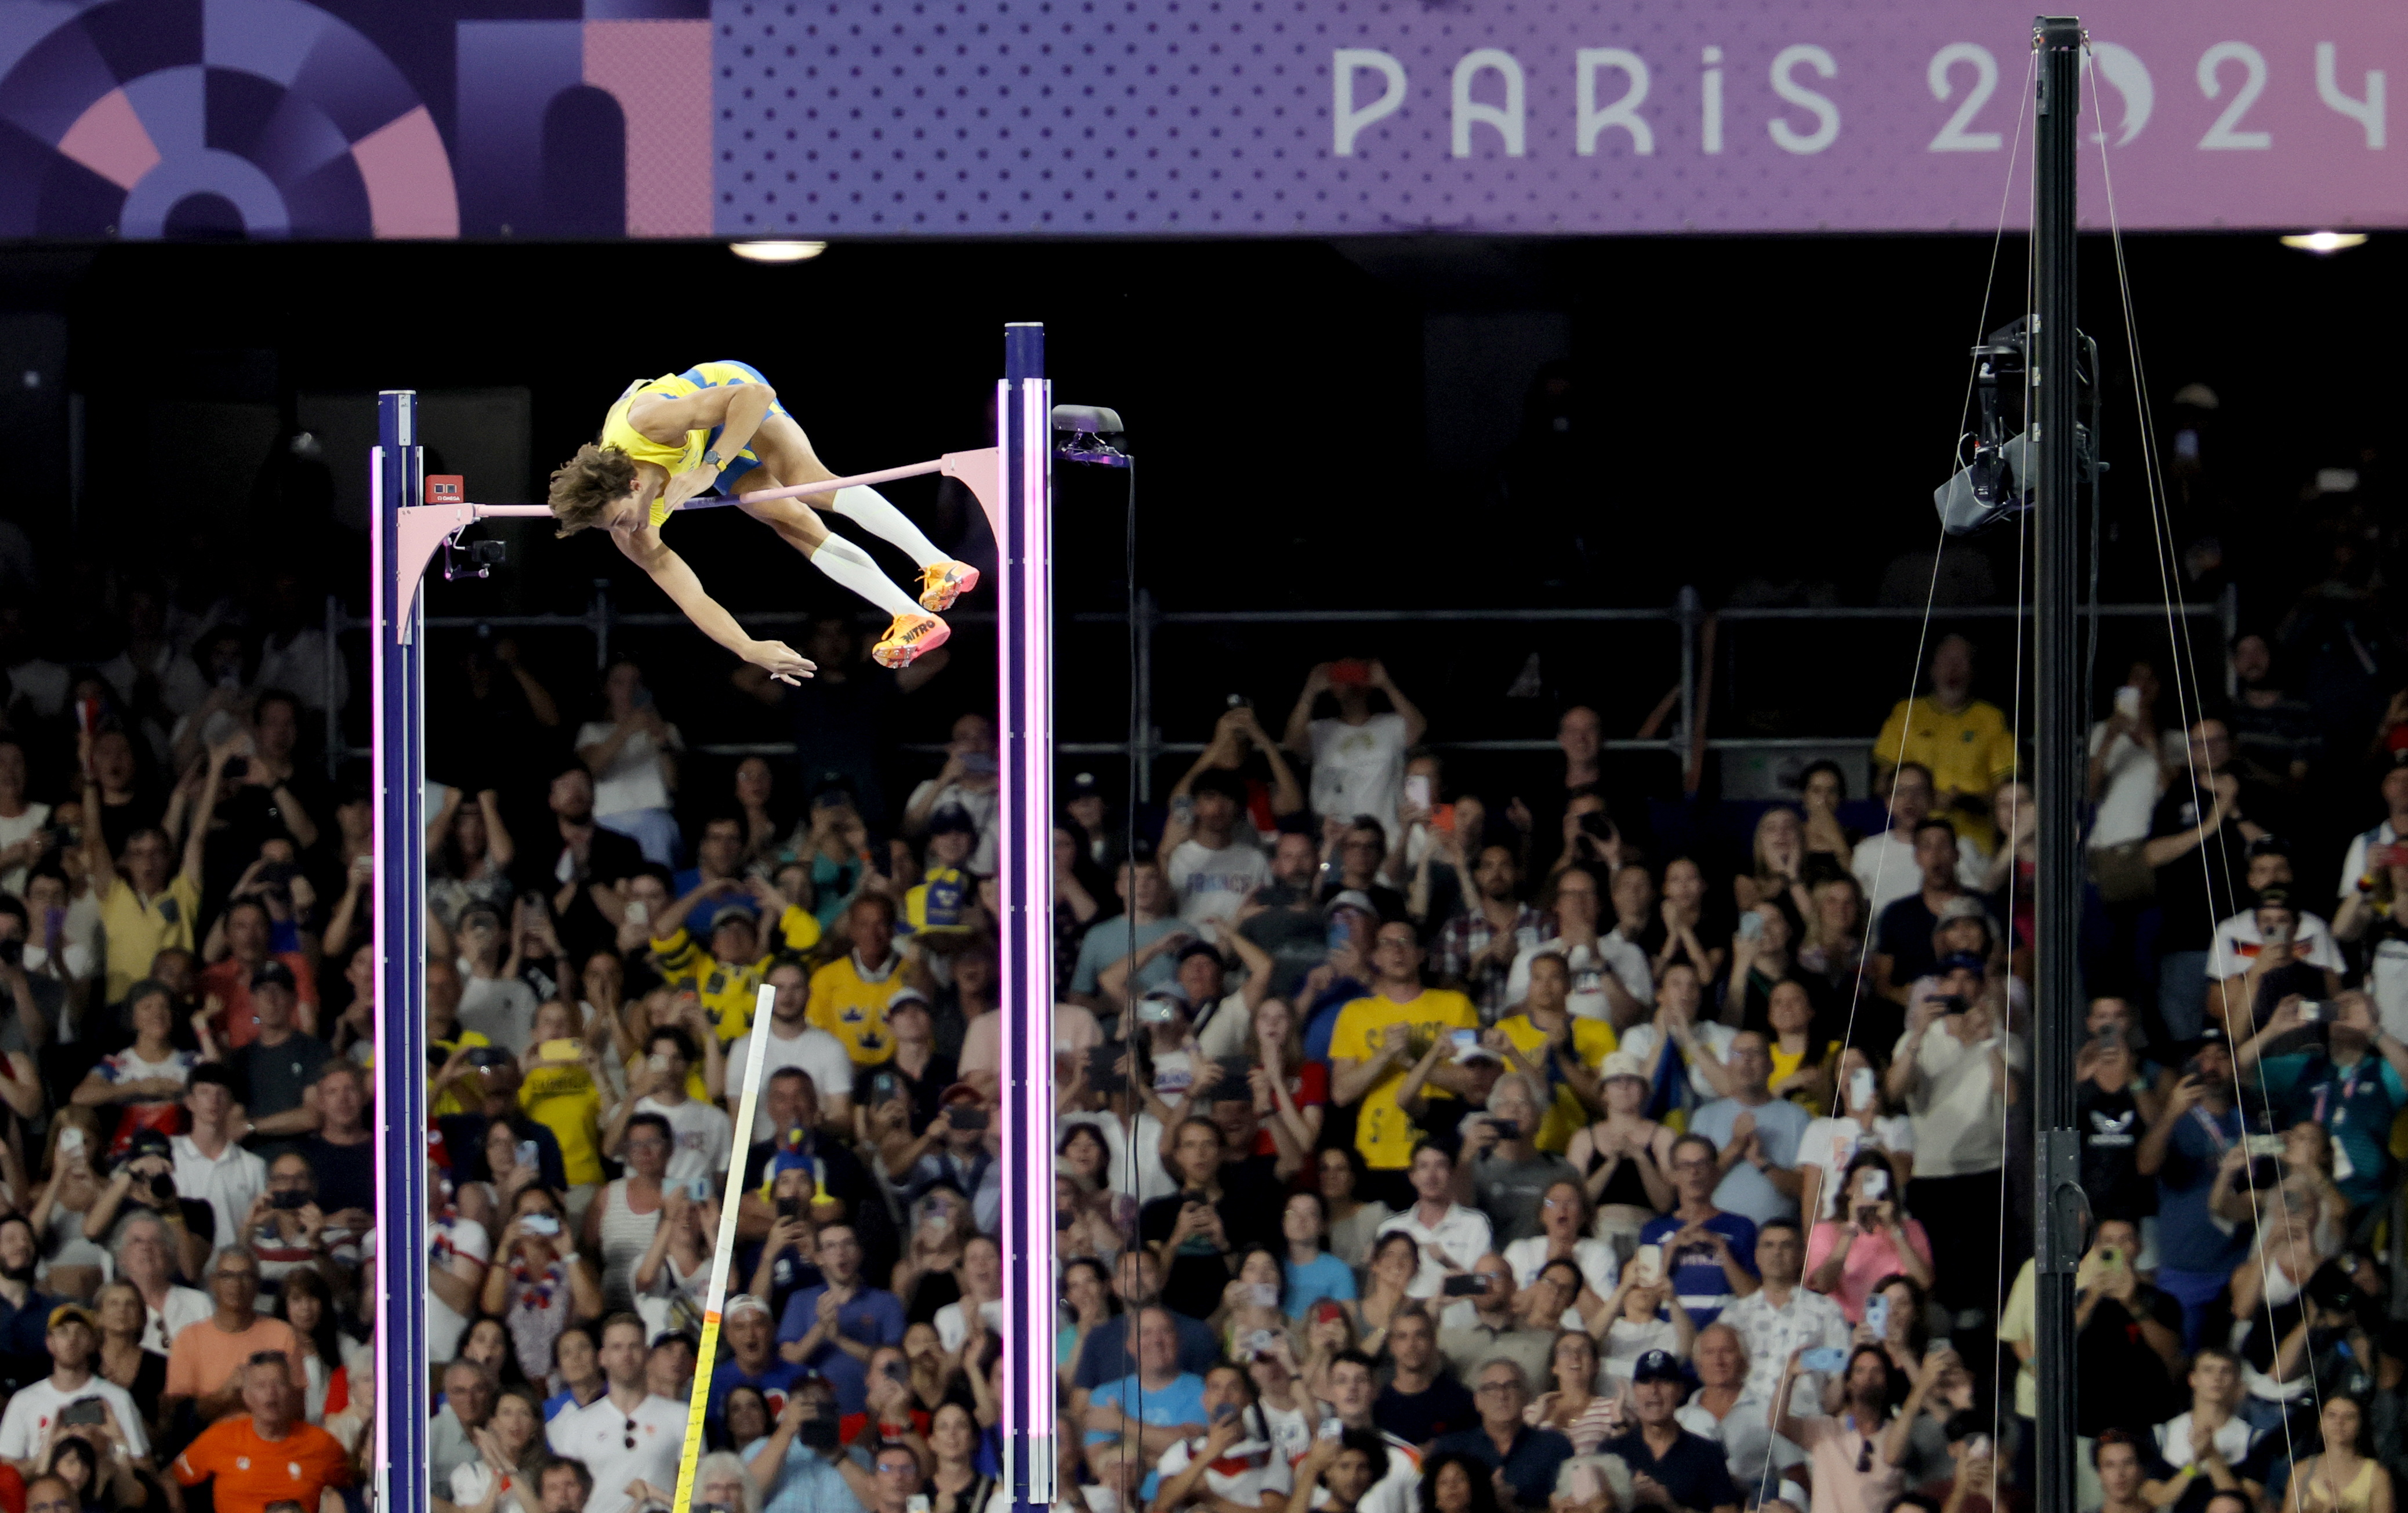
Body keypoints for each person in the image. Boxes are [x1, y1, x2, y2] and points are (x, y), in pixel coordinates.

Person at [547, 362, 976, 674]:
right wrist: (748, 647)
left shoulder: (648, 423)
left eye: (621, 519)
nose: (627, 531)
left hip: (726, 393)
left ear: (634, 486)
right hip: (700, 444)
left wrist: (711, 467)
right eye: (613, 529)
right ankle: (909, 615)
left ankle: (937, 561)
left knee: (808, 481)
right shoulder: (632, 534)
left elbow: (755, 398)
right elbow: (693, 597)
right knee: (791, 522)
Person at [1330, 924, 1481, 1203]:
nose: (1396, 951)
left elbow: (1473, 1082)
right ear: (1375, 957)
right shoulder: (1355, 1013)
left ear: (1421, 954)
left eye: (1404, 942)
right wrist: (1386, 1054)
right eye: (1387, 944)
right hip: (1377, 1154)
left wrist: (1414, 1062)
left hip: (1439, 1153)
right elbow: (1341, 1093)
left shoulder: (1455, 1005)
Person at [2136, 1031, 2251, 1347]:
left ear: (2235, 1066)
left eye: (2220, 1056)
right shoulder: (2176, 1120)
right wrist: (2171, 1113)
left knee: (2231, 1366)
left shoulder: (2251, 1118)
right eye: (2202, 1057)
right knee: (2181, 1360)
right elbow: (2145, 1166)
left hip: (2241, 1269)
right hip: (2186, 1270)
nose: (2211, 1064)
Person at [1872, 636, 2015, 852]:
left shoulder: (1991, 719)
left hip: (1973, 845)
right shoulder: (1907, 713)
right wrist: (1919, 798)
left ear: (1974, 670)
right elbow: (1882, 785)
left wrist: (1964, 801)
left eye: (1961, 661)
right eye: (1946, 660)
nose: (1953, 668)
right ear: (1932, 668)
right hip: (1912, 843)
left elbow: (2007, 793)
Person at [170, 1353, 350, 1513]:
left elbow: (352, 1488)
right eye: (261, 1386)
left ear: (291, 1392)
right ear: (246, 1397)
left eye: (279, 1384)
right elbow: (171, 1478)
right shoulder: (221, 1437)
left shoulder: (322, 1444)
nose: (270, 1394)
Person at [545, 1314, 683, 1513]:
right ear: (602, 1357)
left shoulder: (681, 1417)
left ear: (646, 1354)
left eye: (634, 1346)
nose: (626, 1355)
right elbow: (564, 1497)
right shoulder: (576, 1424)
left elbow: (696, 1491)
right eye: (617, 1347)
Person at [162, 1247, 307, 1429]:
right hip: (211, 1444)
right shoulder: (188, 1338)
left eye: (245, 1276)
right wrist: (225, 1394)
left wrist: (257, 1391)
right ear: (213, 1283)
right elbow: (179, 1417)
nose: (236, 1284)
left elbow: (298, 1410)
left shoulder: (282, 1334)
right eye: (227, 1276)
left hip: (269, 1445)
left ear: (257, 1284)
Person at [0, 1303, 150, 1472]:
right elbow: (8, 1472)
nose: (72, 1340)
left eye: (81, 1332)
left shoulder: (117, 1398)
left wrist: (115, 1442)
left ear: (93, 1343)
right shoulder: (24, 1400)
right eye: (63, 1332)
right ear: (50, 1343)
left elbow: (145, 1466)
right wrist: (52, 1449)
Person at [1721, 1220, 1850, 1414]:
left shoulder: (1826, 1311)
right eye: (1769, 1245)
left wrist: (1826, 1423)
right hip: (1747, 1419)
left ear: (1801, 1256)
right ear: (1757, 1256)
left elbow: (1839, 1376)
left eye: (1786, 1245)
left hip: (1805, 1420)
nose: (1777, 1252)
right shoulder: (1734, 1315)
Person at [775, 1223, 904, 1416]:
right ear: (818, 1258)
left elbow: (896, 1365)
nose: (841, 1252)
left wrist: (839, 1339)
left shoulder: (886, 1302)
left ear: (860, 1253)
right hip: (816, 1413)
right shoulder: (800, 1300)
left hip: (873, 1411)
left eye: (848, 1244)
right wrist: (821, 1327)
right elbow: (788, 1358)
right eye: (831, 1246)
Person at [1082, 1306, 1207, 1503]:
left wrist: (1120, 1423)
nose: (1157, 1341)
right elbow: (1099, 1464)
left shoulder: (1201, 1389)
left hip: (1184, 1503)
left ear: (1178, 1341)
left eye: (1165, 1331)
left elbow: (1190, 1449)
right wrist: (1166, 1451)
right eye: (1146, 1333)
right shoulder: (1105, 1395)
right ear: (1131, 1346)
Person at [1686, 1032, 1809, 1227]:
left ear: (1771, 1066)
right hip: (1715, 1233)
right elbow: (1692, 1186)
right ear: (1728, 1067)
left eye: (1755, 1053)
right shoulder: (1704, 1117)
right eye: (1738, 1054)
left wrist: (1763, 1163)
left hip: (1775, 1241)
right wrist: (1734, 1147)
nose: (1746, 1060)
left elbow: (1808, 1189)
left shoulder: (1797, 1117)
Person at [1636, 1135, 1760, 1327]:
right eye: (1685, 1166)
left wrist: (1720, 1248)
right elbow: (1644, 1301)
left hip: (1726, 1339)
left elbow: (1754, 1299)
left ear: (1715, 1173)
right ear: (1673, 1176)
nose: (1694, 1172)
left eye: (1701, 1164)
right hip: (1669, 1336)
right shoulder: (1653, 1230)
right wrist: (1670, 1249)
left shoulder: (1742, 1227)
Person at [1771, 1343, 1910, 1513]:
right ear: (1849, 1383)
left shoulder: (1897, 1435)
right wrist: (1789, 1377)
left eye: (1877, 1371)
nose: (1868, 1377)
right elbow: (1777, 1423)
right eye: (1860, 1371)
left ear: (1888, 1382)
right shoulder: (1824, 1429)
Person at [1597, 1349, 1740, 1513]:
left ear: (1680, 1391)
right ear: (1634, 1390)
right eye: (1645, 1382)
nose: (1654, 1390)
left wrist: (1670, 1506)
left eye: (1664, 1381)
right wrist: (1624, 1496)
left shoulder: (1707, 1453)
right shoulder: (1611, 1452)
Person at [1428, 1358, 1572, 1512]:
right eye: (1491, 1388)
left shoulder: (1555, 1446)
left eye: (1511, 1386)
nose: (1502, 1395)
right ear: (1477, 1401)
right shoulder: (1451, 1448)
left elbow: (1568, 1508)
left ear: (1526, 1396)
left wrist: (1514, 1509)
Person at [1151, 1363, 1294, 1513]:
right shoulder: (1183, 1450)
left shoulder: (1269, 1455)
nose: (1223, 1396)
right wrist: (1209, 1453)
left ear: (1247, 1398)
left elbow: (1275, 1511)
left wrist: (1213, 1501)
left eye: (1233, 1388)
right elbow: (1161, 1506)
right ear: (1205, 1399)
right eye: (1215, 1388)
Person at [2144, 1347, 2257, 1513]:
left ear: (2237, 1381)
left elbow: (2248, 1504)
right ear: (2193, 1379)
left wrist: (2212, 1456)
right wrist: (2194, 1465)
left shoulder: (2253, 1438)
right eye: (2208, 1370)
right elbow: (2155, 1500)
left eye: (2226, 1371)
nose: (2217, 1378)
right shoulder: (2164, 1435)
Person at [1376, 1144, 1494, 1298]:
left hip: (1460, 1321)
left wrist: (1447, 1263)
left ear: (1453, 1173)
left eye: (1440, 1166)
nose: (1431, 1176)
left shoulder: (1475, 1224)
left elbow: (1483, 1287)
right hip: (1405, 1320)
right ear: (1412, 1176)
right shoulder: (1391, 1227)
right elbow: (1380, 1287)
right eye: (1423, 1167)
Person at [1434, 1256, 1553, 1389]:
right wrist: (1435, 1307)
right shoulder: (1449, 1341)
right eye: (1479, 1279)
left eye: (1495, 1276)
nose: (1487, 1284)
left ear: (1513, 1285)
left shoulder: (1545, 1341)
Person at [1374, 1305, 1477, 1446]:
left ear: (1433, 1341)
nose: (1412, 1345)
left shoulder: (1460, 1399)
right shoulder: (1376, 1403)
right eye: (1403, 1337)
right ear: (1392, 1345)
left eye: (1420, 1335)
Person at [2283, 1395, 2388, 1513]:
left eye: (2349, 1417)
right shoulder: (2301, 1471)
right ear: (2321, 1423)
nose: (2339, 1422)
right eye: (2332, 1415)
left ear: (2361, 1424)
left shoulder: (2377, 1475)